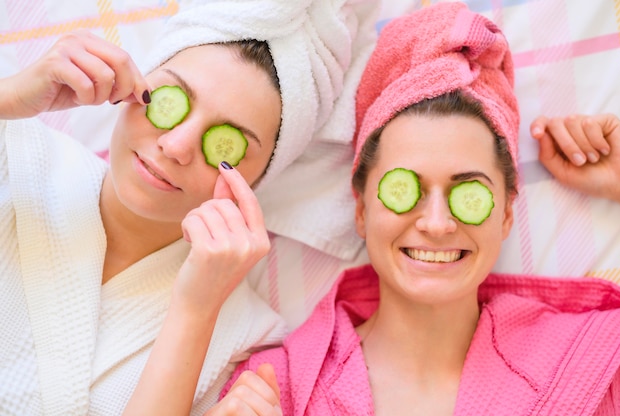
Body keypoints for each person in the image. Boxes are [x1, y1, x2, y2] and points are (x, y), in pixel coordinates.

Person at [217, 2, 620, 415]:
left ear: (505, 214)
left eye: (468, 193)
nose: (436, 223)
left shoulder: (600, 357)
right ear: (361, 210)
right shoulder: (269, 389)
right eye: (403, 190)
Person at [0, 0, 380, 414]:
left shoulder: (245, 337)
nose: (176, 146)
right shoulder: (17, 152)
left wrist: (196, 310)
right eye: (170, 99)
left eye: (224, 146)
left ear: (254, 183)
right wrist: (8, 98)